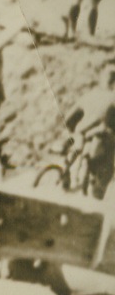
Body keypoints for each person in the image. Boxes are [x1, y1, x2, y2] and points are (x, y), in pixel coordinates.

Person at [64, 68, 115, 199]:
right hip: (100, 138)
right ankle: (97, 193)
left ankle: (67, 178)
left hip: (80, 135)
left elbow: (69, 117)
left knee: (74, 159)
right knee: (108, 167)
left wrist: (72, 130)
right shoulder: (112, 98)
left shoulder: (90, 95)